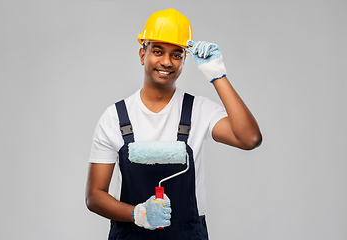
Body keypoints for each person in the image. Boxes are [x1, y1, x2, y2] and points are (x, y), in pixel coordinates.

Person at [85, 8, 262, 240]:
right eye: (158, 51)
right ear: (142, 55)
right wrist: (137, 214)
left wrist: (217, 76)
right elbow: (94, 196)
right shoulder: (115, 117)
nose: (167, 62)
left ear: (184, 60)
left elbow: (250, 139)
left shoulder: (199, 110)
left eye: (177, 54)